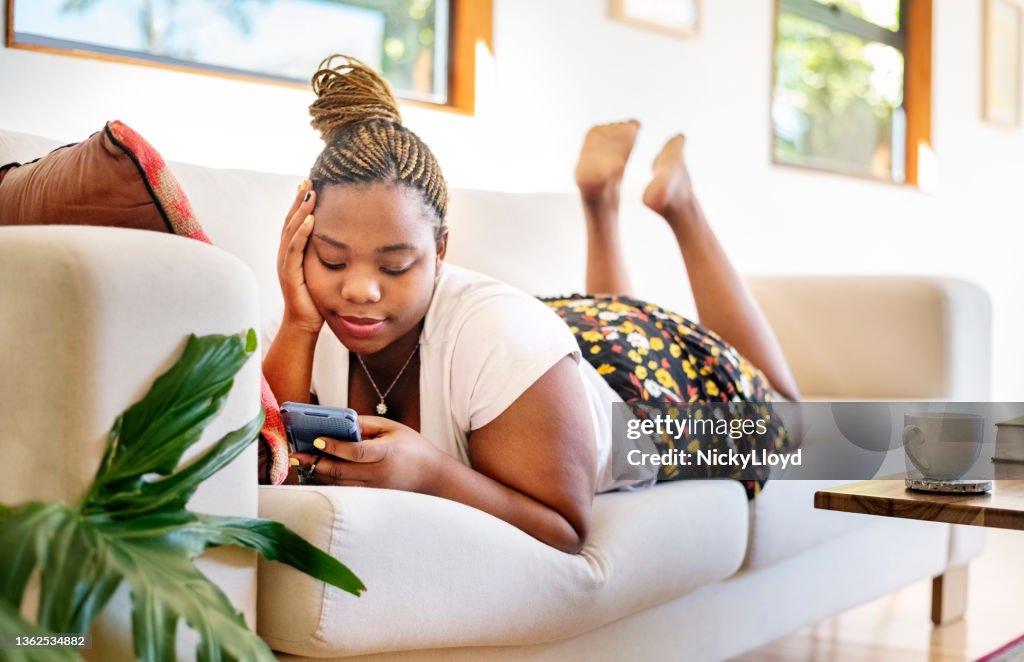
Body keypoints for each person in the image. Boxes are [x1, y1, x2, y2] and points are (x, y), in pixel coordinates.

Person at [263, 55, 799, 554]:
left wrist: (431, 473)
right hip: (566, 340)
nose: (359, 290)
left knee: (794, 423)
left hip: (644, 395)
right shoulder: (309, 318)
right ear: (302, 241)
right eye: (333, 259)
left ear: (441, 251)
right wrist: (299, 324)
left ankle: (681, 206)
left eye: (396, 266)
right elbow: (275, 474)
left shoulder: (503, 341)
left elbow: (565, 531)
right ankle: (600, 202)